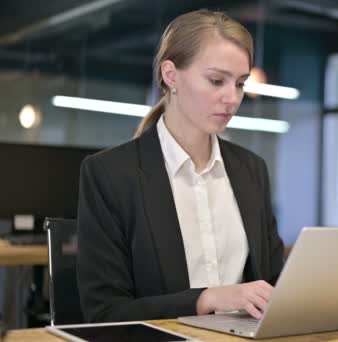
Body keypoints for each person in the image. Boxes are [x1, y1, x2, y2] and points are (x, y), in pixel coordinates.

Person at [76, 9, 285, 323]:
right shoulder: (110, 174)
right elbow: (105, 314)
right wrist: (204, 299)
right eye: (217, 81)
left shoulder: (251, 170)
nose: (232, 98)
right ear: (170, 75)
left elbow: (273, 284)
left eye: (240, 84)